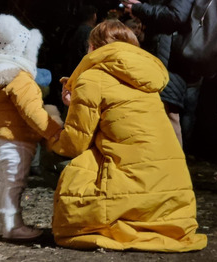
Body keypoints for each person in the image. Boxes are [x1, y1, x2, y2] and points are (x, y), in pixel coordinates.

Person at [48, 19, 207, 252]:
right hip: (173, 196)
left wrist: (50, 136)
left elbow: (74, 143)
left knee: (54, 156)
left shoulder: (91, 78)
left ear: (92, 48)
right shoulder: (147, 80)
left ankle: (85, 217)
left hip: (131, 190)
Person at [0, 14, 63, 241]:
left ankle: (3, 224)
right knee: (15, 185)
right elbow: (33, 113)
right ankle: (11, 227)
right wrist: (55, 132)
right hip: (17, 140)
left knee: (7, 184)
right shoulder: (19, 78)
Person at [122, 0, 201, 150]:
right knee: (161, 115)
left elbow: (176, 16)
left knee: (169, 115)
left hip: (168, 60)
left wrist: (140, 8)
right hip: (164, 58)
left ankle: (175, 168)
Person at [63, 5, 98, 76]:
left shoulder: (75, 30)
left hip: (73, 68)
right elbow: (88, 52)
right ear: (94, 16)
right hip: (82, 71)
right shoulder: (89, 32)